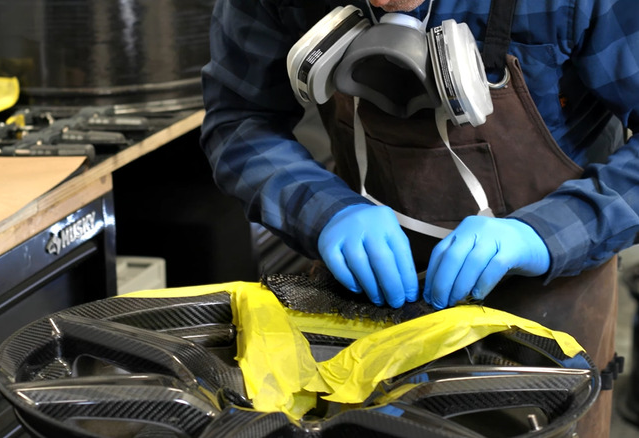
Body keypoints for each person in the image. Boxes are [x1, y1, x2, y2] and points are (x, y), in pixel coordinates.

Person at [200, 0, 638, 435]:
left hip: (551, 299)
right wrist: (322, 211)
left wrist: (545, 234)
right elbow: (240, 118)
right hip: (362, 298)